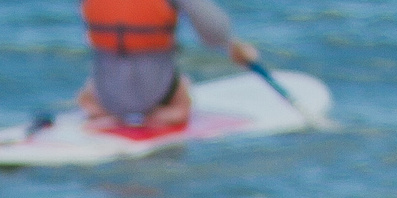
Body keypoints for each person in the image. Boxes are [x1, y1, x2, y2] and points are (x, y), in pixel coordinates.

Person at [76, 0, 263, 134]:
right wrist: (234, 47)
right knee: (182, 86)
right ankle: (175, 111)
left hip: (107, 94)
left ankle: (95, 108)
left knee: (100, 78)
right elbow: (214, 29)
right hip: (156, 92)